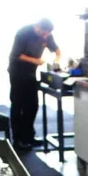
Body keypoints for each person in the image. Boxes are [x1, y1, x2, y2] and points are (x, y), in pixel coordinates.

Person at [8, 18, 61, 150]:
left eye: (47, 34)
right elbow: (16, 55)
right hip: (17, 73)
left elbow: (56, 49)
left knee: (32, 106)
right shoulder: (23, 33)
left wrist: (57, 59)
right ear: (37, 27)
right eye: (43, 33)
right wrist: (35, 61)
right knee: (18, 105)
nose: (45, 37)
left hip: (31, 74)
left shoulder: (47, 35)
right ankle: (18, 139)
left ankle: (29, 137)